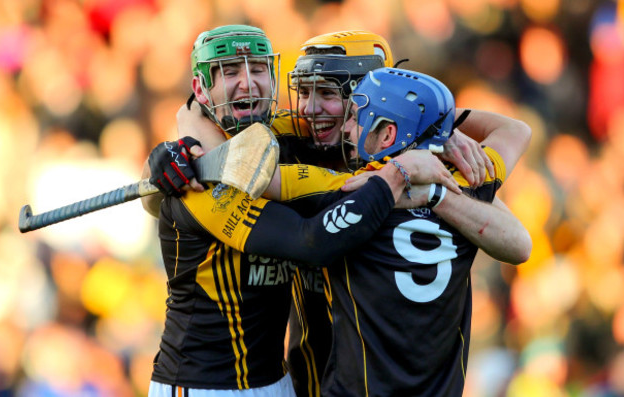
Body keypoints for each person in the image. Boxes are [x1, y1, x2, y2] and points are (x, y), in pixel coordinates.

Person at [145, 25, 461, 397]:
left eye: (258, 70)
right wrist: (397, 180)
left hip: (288, 384)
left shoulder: (414, 152)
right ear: (201, 89)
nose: (248, 83)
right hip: (214, 384)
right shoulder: (215, 166)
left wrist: (453, 131)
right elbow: (308, 241)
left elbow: (512, 149)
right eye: (230, 71)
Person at [267, 67, 532, 395]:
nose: (348, 127)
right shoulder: (461, 185)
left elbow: (257, 174)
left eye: (357, 116)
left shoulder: (352, 189)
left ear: (389, 134)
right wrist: (437, 123)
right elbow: (515, 130)